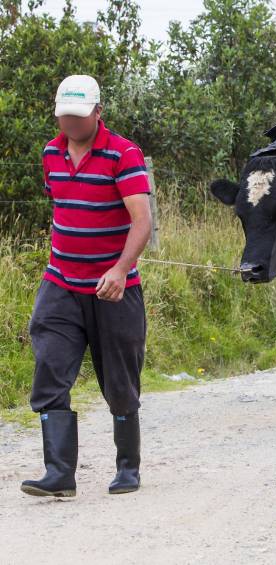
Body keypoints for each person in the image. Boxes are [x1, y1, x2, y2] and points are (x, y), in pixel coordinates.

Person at [21, 74, 152, 497]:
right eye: (64, 117)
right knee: (50, 368)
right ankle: (59, 474)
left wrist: (119, 269)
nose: (71, 124)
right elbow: (63, 205)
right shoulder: (50, 152)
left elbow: (142, 221)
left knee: (119, 380)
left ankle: (127, 468)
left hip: (114, 289)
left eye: (79, 116)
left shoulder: (123, 154)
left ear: (98, 112)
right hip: (61, 283)